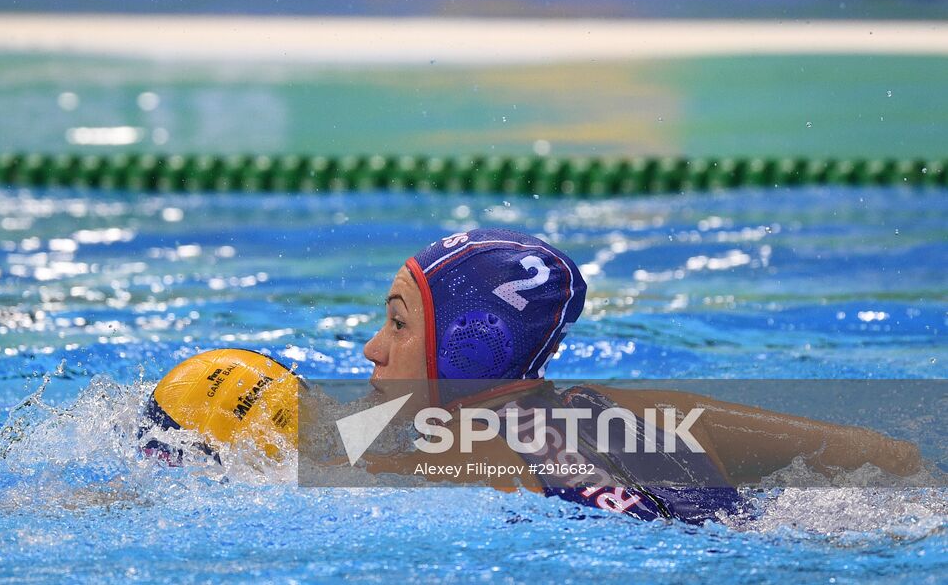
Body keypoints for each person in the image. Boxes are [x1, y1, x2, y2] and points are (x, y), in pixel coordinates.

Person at [148, 227, 922, 522]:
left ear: (468, 349)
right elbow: (893, 461)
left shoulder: (435, 458)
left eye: (397, 320)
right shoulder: (630, 412)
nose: (369, 350)